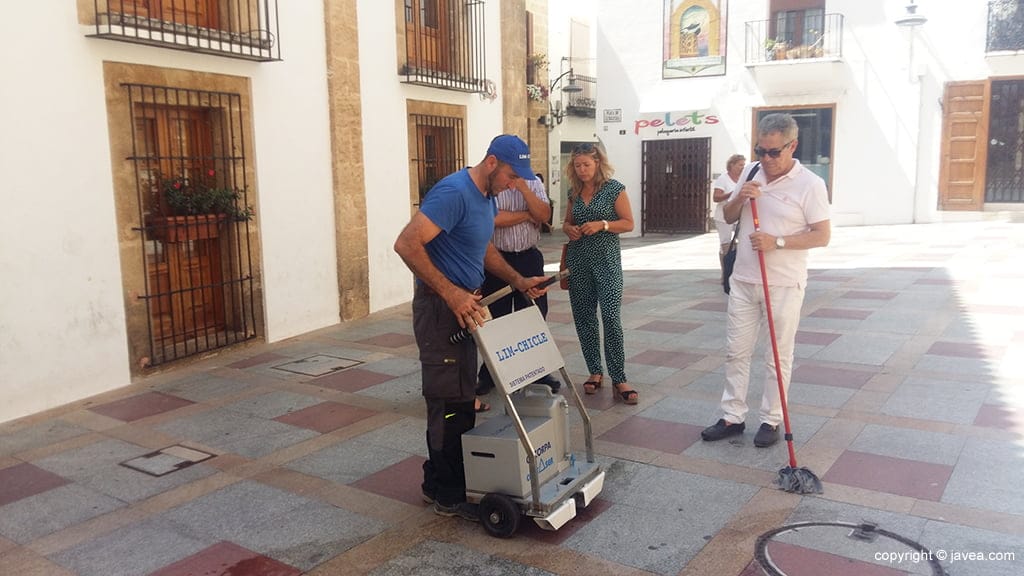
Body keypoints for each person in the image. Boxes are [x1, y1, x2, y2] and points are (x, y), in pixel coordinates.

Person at [393, 134, 549, 520]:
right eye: (512, 176)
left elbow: (482, 248)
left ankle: (438, 481)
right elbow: (406, 244)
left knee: (462, 396)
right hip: (441, 308)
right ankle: (447, 493)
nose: (513, 185)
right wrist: (452, 294)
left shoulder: (484, 197)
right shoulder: (454, 192)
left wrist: (516, 280)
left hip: (463, 304)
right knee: (447, 401)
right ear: (493, 162)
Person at [701, 113, 831, 448]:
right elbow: (729, 217)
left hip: (784, 283)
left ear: (793, 146)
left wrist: (779, 242)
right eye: (762, 150)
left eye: (775, 152)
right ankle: (732, 416)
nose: (767, 159)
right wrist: (740, 197)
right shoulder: (751, 170)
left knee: (778, 355)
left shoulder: (810, 184)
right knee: (736, 351)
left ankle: (771, 419)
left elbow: (822, 235)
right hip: (744, 278)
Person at [562, 143, 638, 404]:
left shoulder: (614, 188)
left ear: (597, 163)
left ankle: (619, 376)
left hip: (607, 262)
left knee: (610, 318)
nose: (582, 170)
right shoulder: (574, 192)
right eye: (577, 165)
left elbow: (628, 223)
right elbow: (567, 222)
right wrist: (568, 229)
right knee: (584, 318)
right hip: (579, 260)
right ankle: (595, 370)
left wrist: (603, 224)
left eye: (586, 164)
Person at [474, 171, 558, 403]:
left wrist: (523, 189)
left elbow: (543, 214)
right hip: (496, 260)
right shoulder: (491, 183)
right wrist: (525, 214)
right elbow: (492, 219)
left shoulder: (532, 182)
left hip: (529, 258)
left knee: (533, 316)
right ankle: (490, 374)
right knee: (495, 319)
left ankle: (537, 374)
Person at [713, 154, 746, 280]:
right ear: (732, 165)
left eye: (743, 165)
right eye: (740, 165)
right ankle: (725, 273)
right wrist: (732, 195)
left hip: (739, 216)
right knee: (726, 244)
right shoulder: (723, 178)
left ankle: (736, 271)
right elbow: (716, 197)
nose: (742, 167)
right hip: (723, 217)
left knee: (741, 243)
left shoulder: (742, 178)